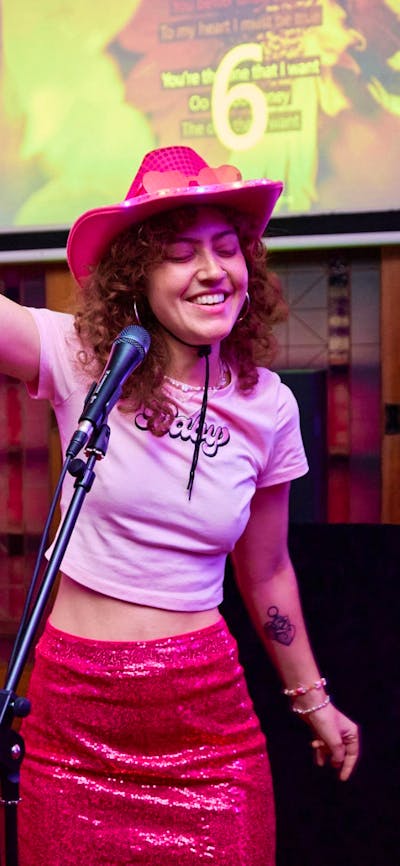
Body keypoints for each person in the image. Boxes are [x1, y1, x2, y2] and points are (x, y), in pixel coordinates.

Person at [0, 145, 359, 866]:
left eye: (226, 250)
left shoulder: (269, 406)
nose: (210, 271)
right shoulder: (82, 359)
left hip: (205, 723)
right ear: (137, 276)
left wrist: (313, 699)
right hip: (73, 715)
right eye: (178, 253)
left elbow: (267, 573)